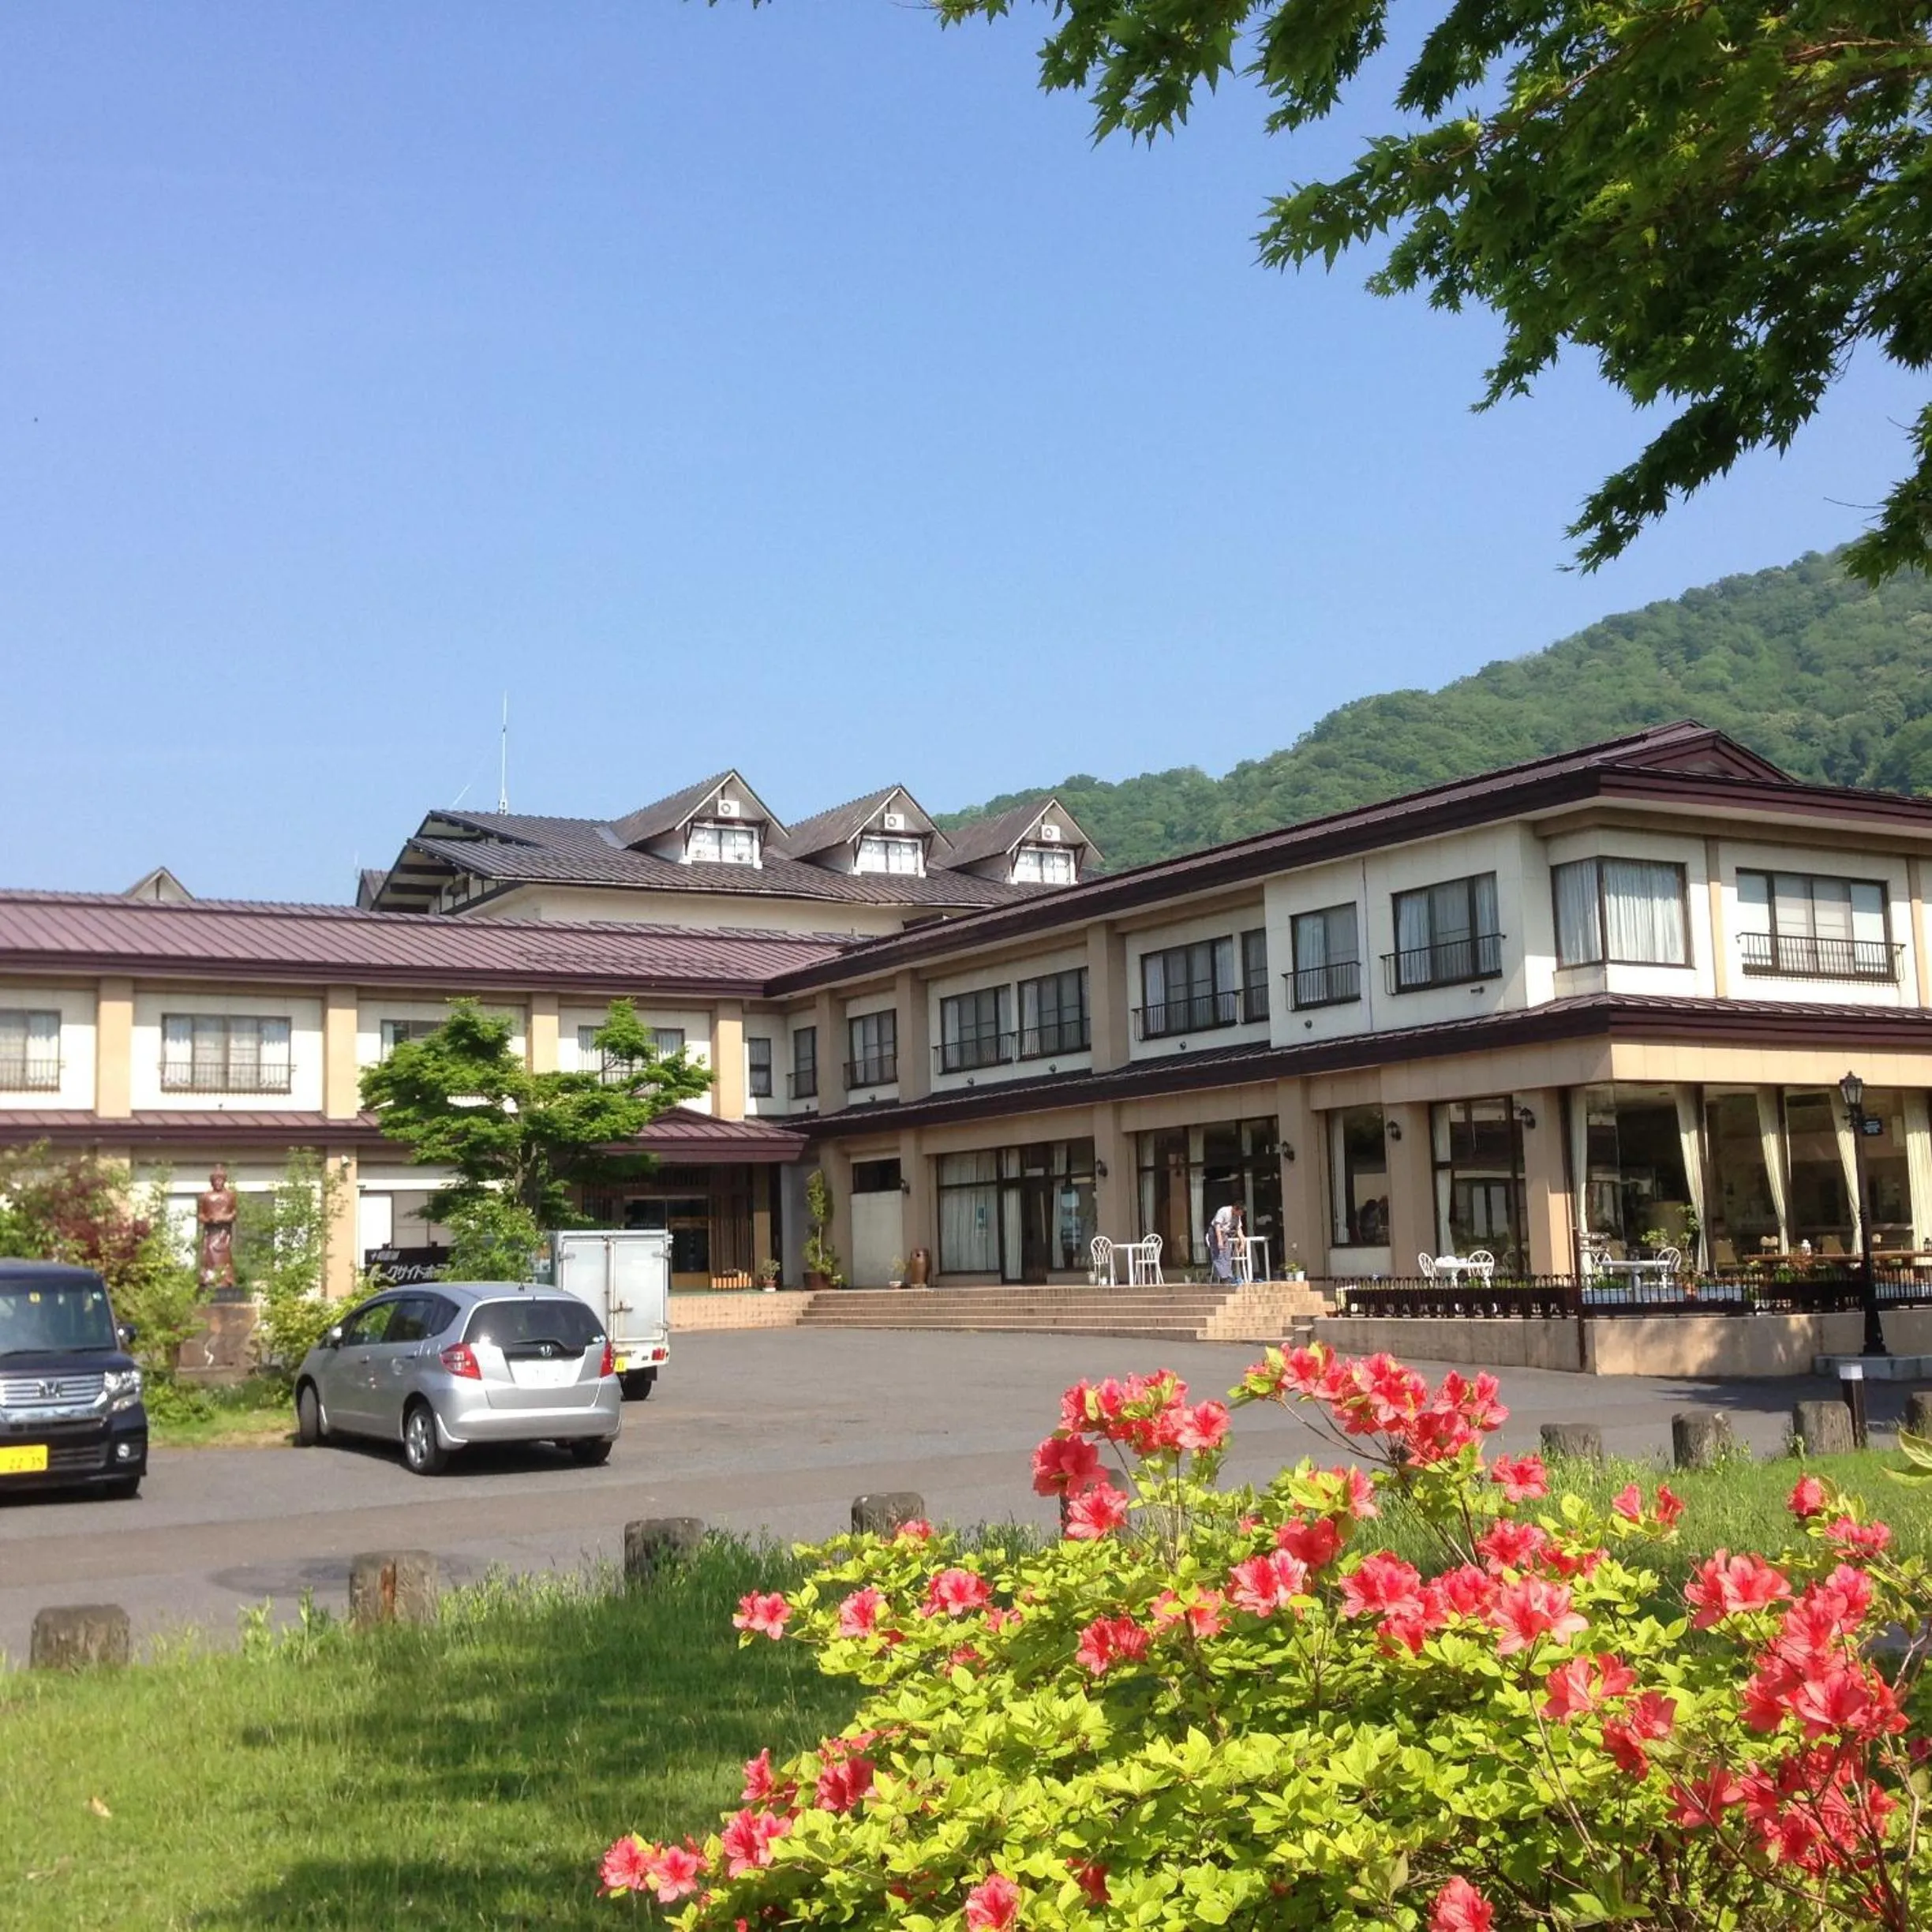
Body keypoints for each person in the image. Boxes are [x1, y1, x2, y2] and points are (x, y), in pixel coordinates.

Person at [1208, 1203, 1237, 1283]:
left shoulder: (1237, 1216)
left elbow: (1239, 1228)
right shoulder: (1224, 1211)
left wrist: (1242, 1240)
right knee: (1218, 1255)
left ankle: (1229, 1275)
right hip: (1215, 1232)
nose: (1240, 1215)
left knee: (1227, 1255)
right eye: (1240, 1212)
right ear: (1235, 1209)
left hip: (1225, 1233)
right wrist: (1220, 1241)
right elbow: (1217, 1226)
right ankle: (1224, 1277)